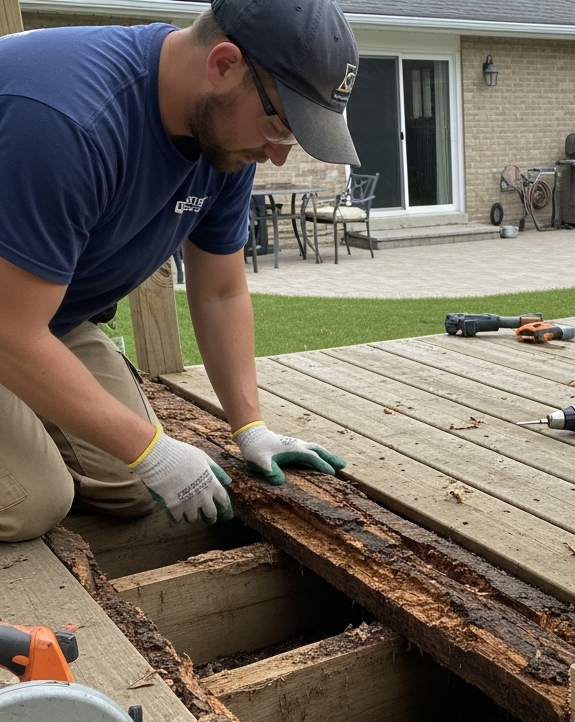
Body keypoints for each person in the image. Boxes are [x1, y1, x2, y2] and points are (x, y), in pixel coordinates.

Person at [0, 0, 360, 541]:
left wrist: (250, 427)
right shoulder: (67, 122)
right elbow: (9, 330)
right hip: (12, 320)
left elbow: (219, 292)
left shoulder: (225, 140)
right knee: (35, 500)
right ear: (223, 64)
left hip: (40, 312)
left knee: (132, 484)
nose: (279, 155)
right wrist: (150, 447)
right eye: (282, 125)